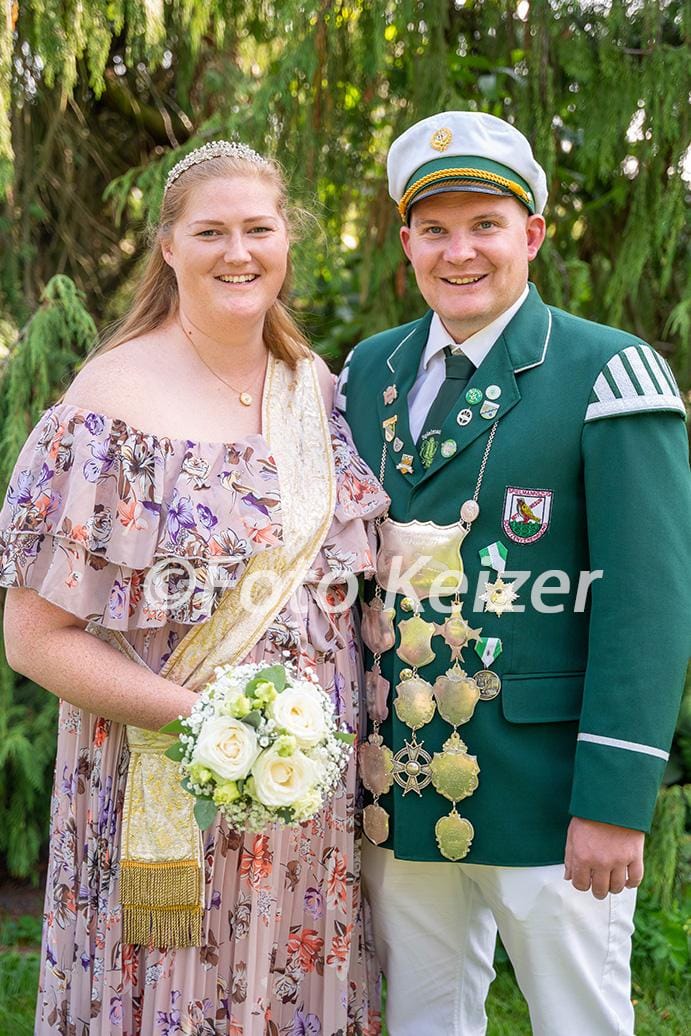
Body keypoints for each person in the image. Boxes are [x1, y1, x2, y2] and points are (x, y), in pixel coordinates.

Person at [0, 141, 387, 1035]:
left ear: (287, 239)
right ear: (168, 246)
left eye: (258, 228)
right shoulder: (109, 402)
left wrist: (288, 750)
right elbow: (33, 638)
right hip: (162, 776)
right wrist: (213, 728)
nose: (237, 252)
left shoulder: (314, 389)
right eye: (210, 231)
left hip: (306, 799)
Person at [337, 111, 691, 1035]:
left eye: (484, 225)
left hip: (547, 788)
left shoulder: (608, 372)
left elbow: (647, 608)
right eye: (434, 229)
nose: (459, 252)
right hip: (402, 780)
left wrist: (613, 802)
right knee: (421, 1018)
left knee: (577, 1021)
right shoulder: (366, 373)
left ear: (530, 235)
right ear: (406, 242)